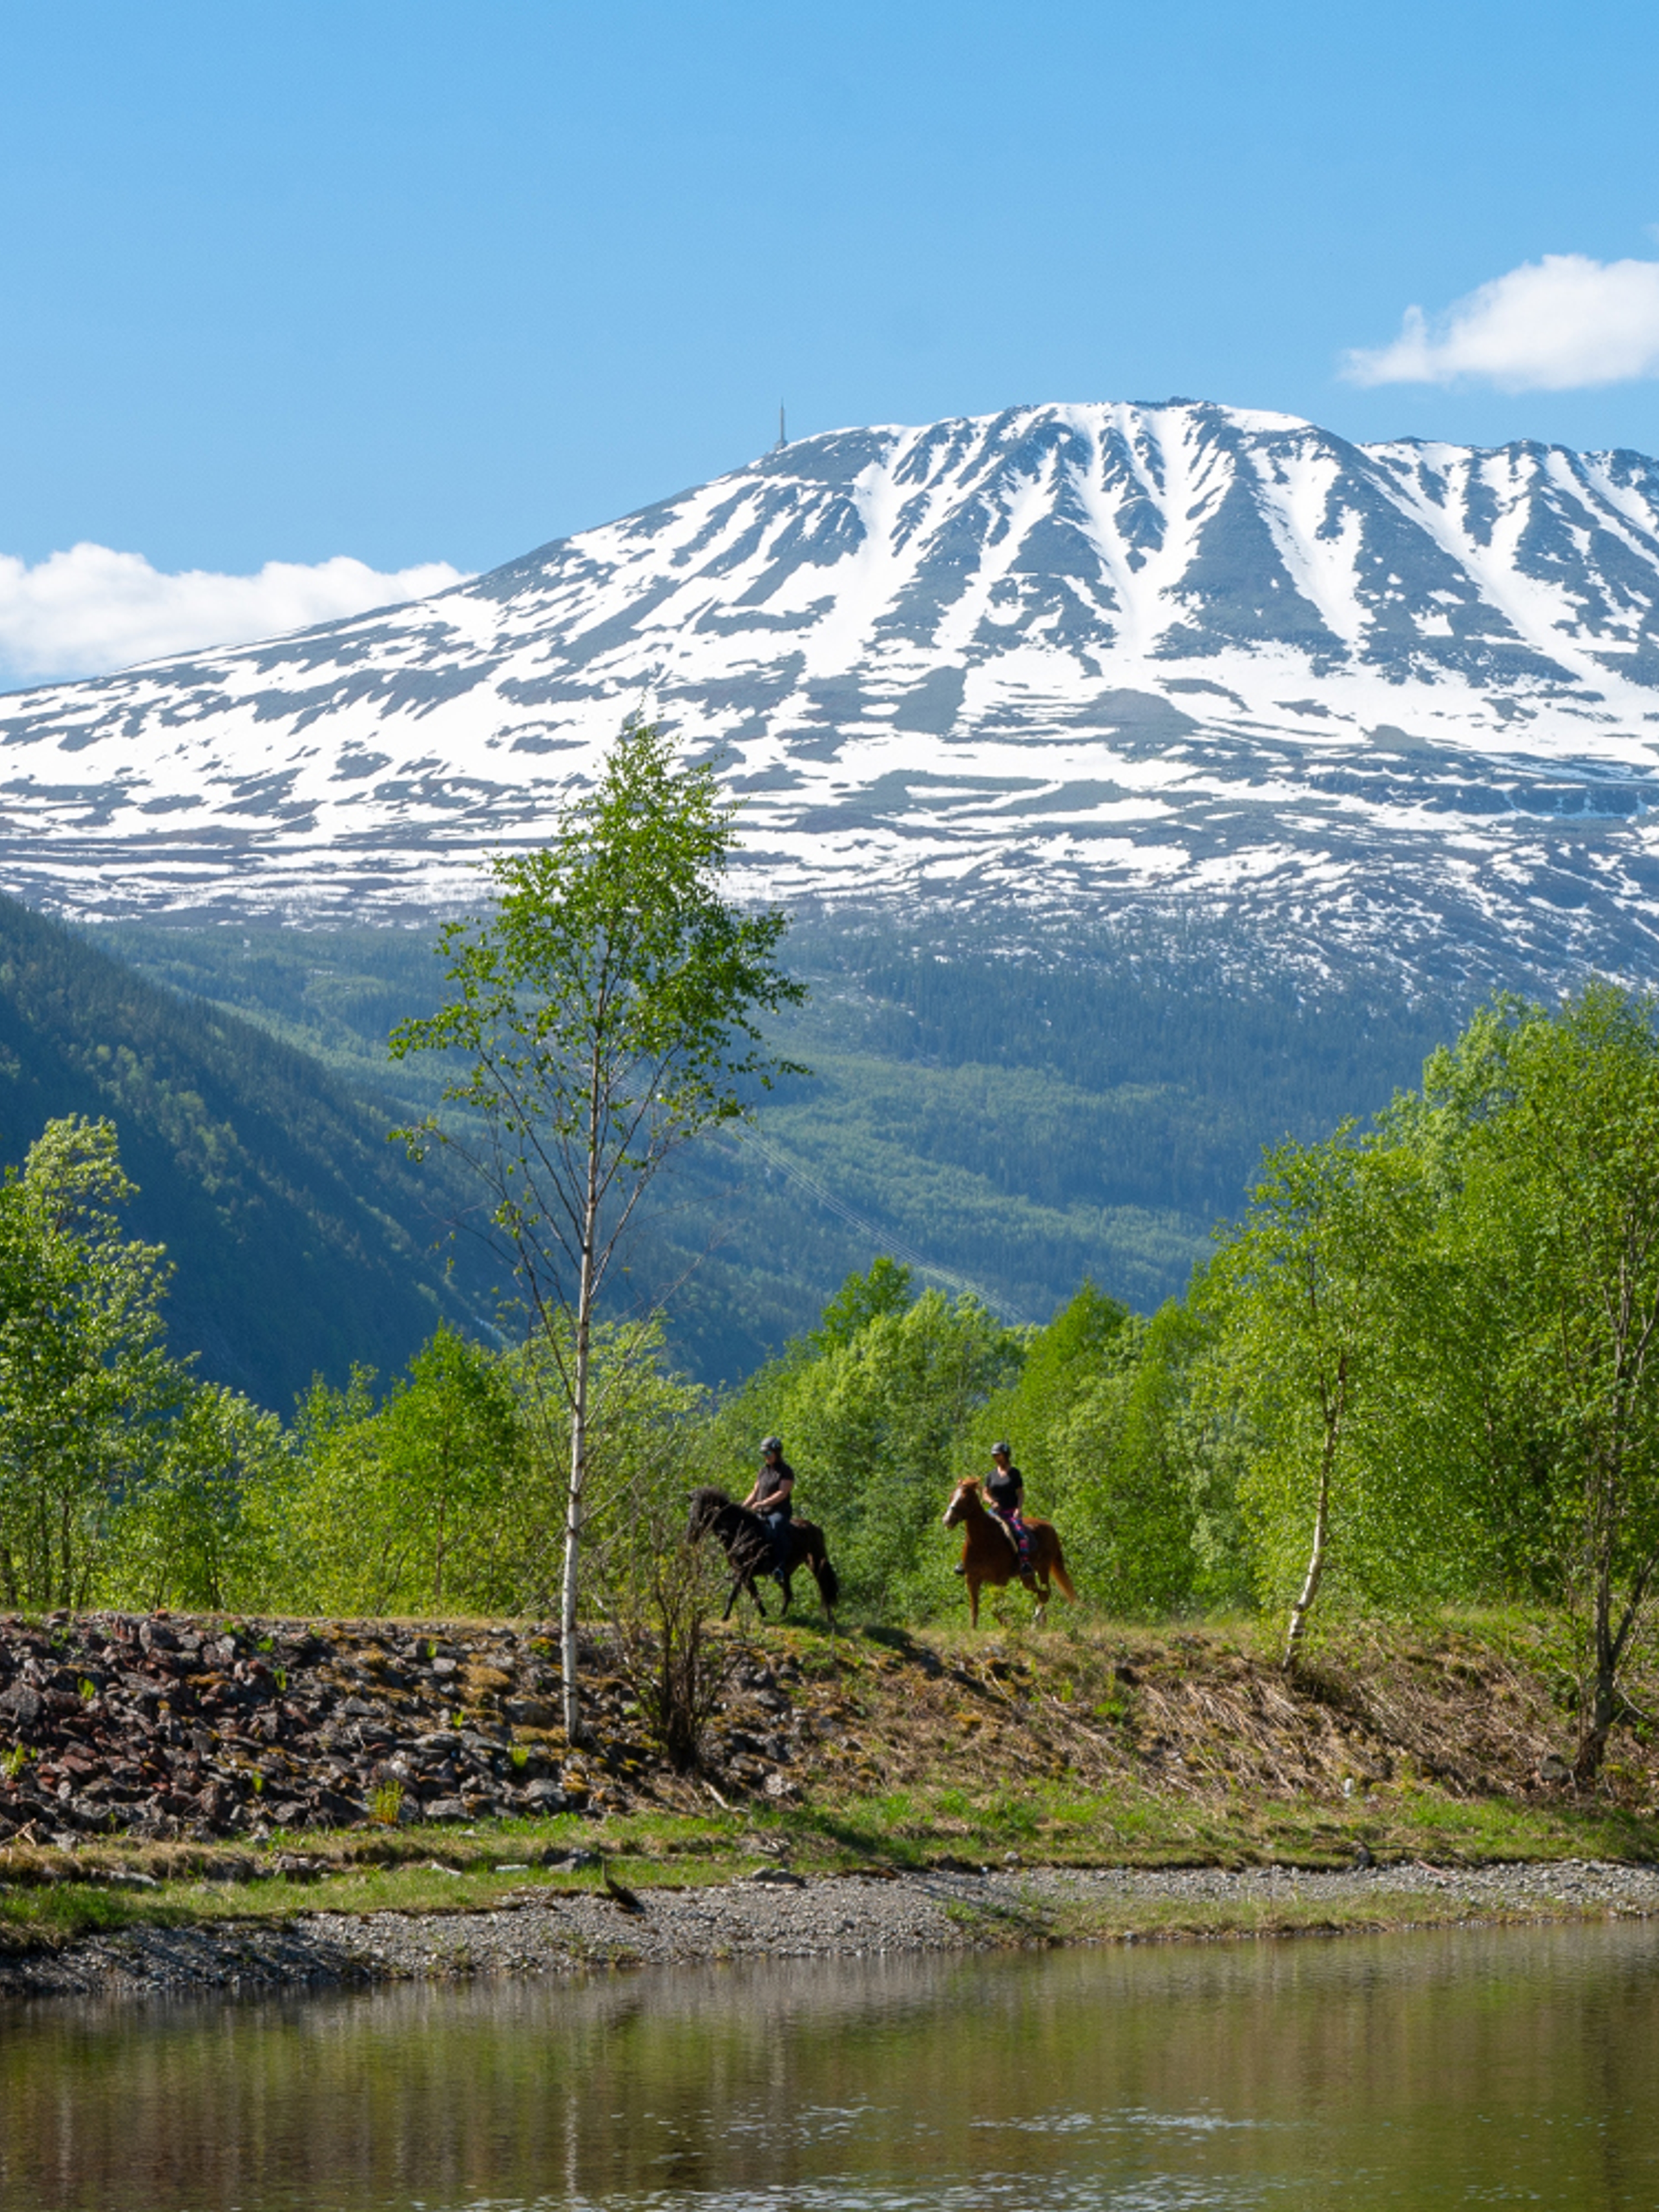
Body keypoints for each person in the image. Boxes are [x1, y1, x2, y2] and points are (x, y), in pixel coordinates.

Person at [742, 1435, 795, 1580]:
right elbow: (755, 1493)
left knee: (776, 1527)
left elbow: (783, 1493)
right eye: (764, 1454)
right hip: (762, 1512)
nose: (766, 1457)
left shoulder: (786, 1471)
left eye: (768, 1453)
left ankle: (779, 1568)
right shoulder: (763, 1472)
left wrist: (763, 1503)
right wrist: (743, 1506)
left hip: (779, 1512)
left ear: (777, 1452)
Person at [985, 1441, 1027, 1563]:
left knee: (1021, 1534)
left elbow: (1020, 1493)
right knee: (978, 1530)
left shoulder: (1015, 1473)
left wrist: (1019, 1509)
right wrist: (992, 1502)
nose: (997, 1459)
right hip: (994, 1513)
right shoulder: (991, 1475)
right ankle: (967, 1562)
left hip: (1011, 1512)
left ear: (1006, 1455)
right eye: (995, 1456)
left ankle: (1024, 1562)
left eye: (999, 1456)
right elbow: (985, 1493)